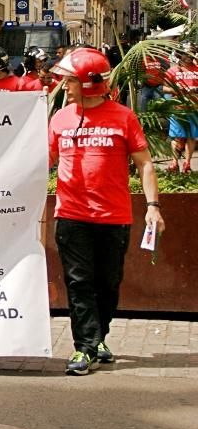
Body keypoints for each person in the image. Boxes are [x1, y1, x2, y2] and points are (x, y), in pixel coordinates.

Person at [49, 48, 164, 375]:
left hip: (114, 216)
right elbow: (45, 159)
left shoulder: (124, 117)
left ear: (88, 84)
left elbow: (145, 164)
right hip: (71, 215)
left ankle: (98, 335)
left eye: (70, 81)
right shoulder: (59, 119)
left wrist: (153, 207)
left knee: (109, 283)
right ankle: (84, 347)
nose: (64, 87)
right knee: (79, 281)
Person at [164, 44, 198, 173]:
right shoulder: (172, 71)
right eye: (187, 54)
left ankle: (187, 163)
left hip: (194, 108)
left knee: (192, 137)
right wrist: (179, 90)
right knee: (177, 138)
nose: (189, 57)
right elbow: (165, 88)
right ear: (180, 55)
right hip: (177, 108)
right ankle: (174, 162)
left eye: (192, 54)